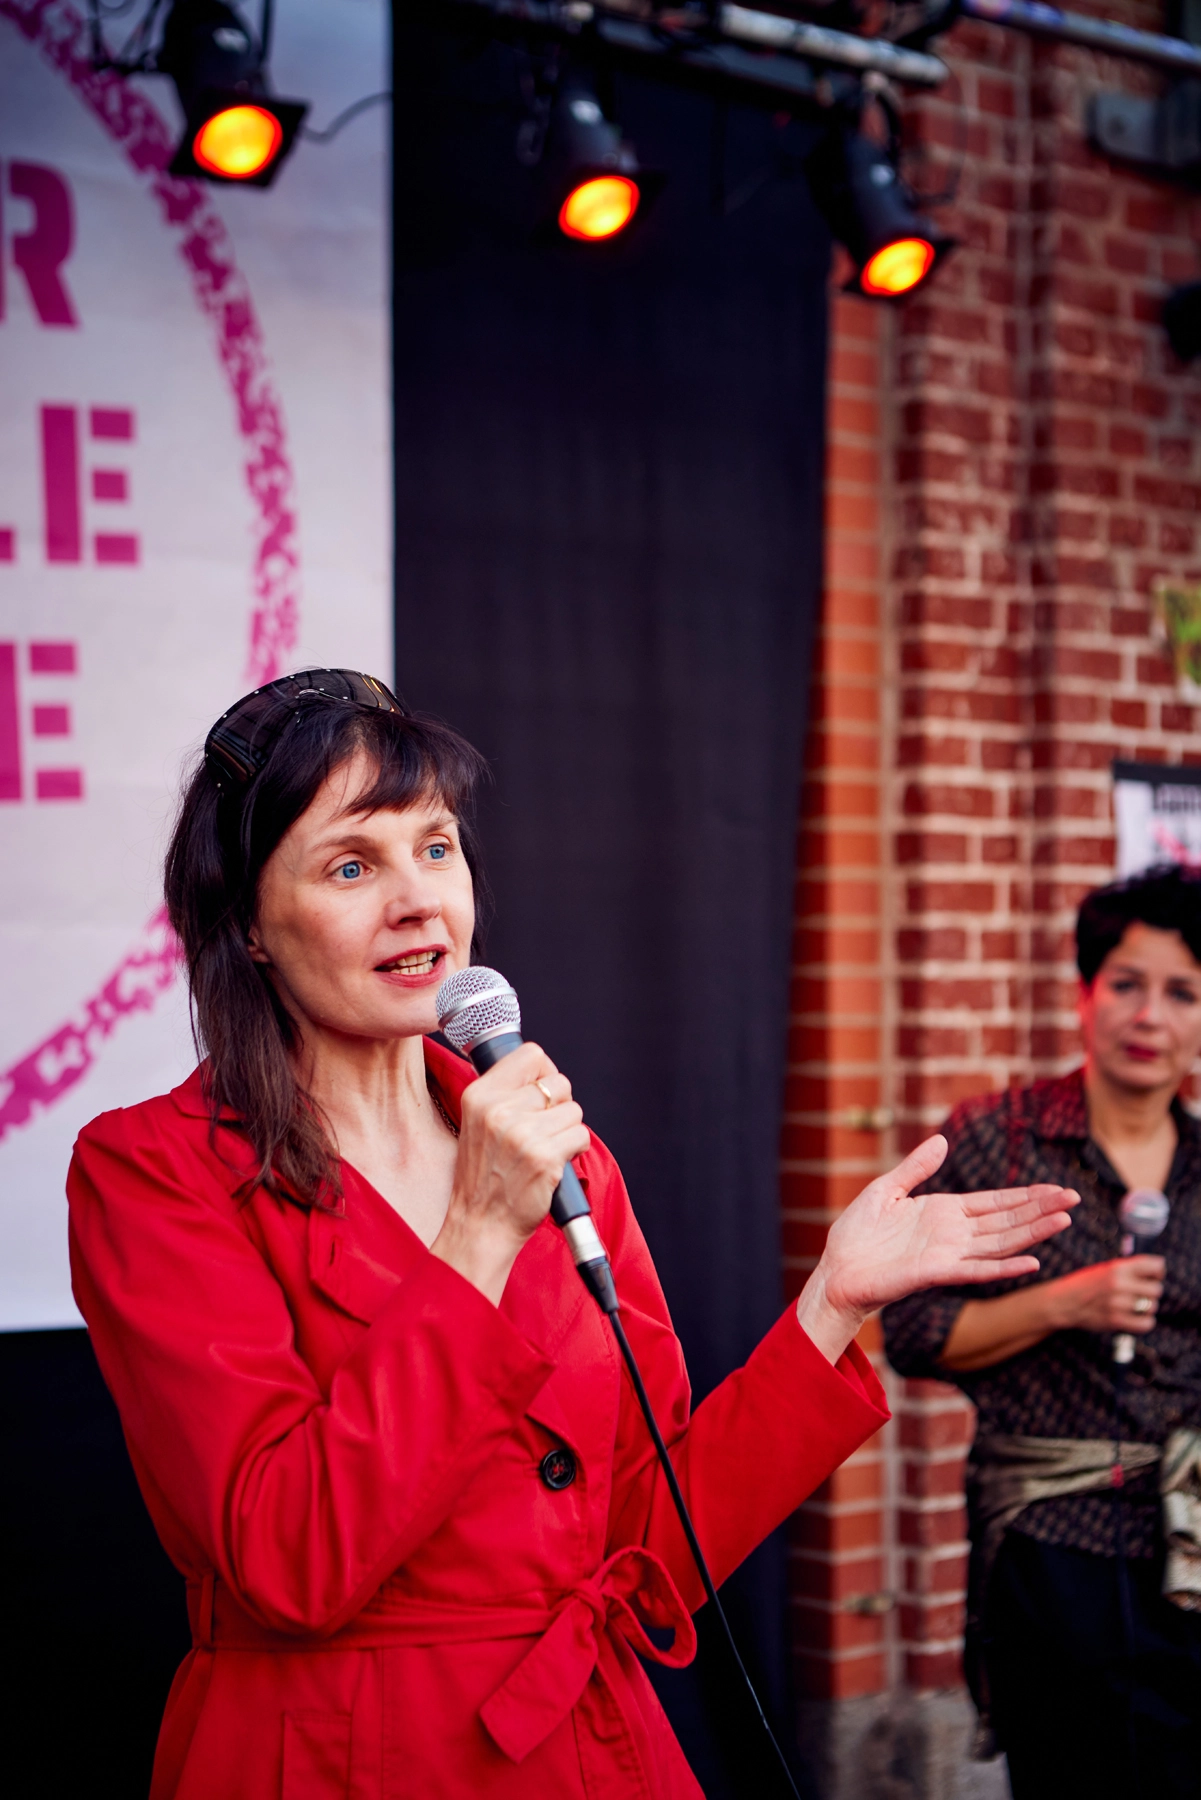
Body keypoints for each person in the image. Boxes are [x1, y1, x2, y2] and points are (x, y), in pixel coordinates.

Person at [67, 669, 1076, 1800]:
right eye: (352, 866)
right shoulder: (155, 1168)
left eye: (435, 847)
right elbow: (288, 1560)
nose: (418, 901)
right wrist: (478, 1233)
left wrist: (830, 1304)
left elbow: (649, 1544)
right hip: (340, 1754)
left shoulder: (565, 1155)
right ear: (249, 924)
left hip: (583, 1747)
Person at [884, 865, 1201, 1800]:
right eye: (1126, 984)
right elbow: (912, 1332)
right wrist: (1065, 1303)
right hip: (1050, 1543)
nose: (1149, 1017)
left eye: (1182, 994)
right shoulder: (999, 1140)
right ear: (1084, 994)